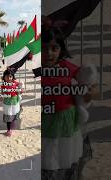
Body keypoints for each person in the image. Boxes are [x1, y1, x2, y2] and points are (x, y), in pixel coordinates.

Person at [41, 18, 95, 180]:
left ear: (61, 49)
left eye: (54, 48)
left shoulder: (67, 67)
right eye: (43, 49)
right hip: (44, 121)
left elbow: (87, 83)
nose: (49, 53)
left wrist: (88, 93)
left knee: (67, 159)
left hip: (66, 121)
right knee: (47, 160)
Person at [0, 68, 23, 136]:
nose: (9, 78)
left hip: (15, 101)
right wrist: (1, 97)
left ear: (12, 77)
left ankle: (13, 122)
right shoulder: (3, 85)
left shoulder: (16, 83)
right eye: (7, 76)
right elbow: (2, 93)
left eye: (10, 76)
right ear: (4, 77)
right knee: (8, 115)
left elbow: (21, 90)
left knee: (14, 113)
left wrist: (20, 88)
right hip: (7, 103)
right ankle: (9, 129)